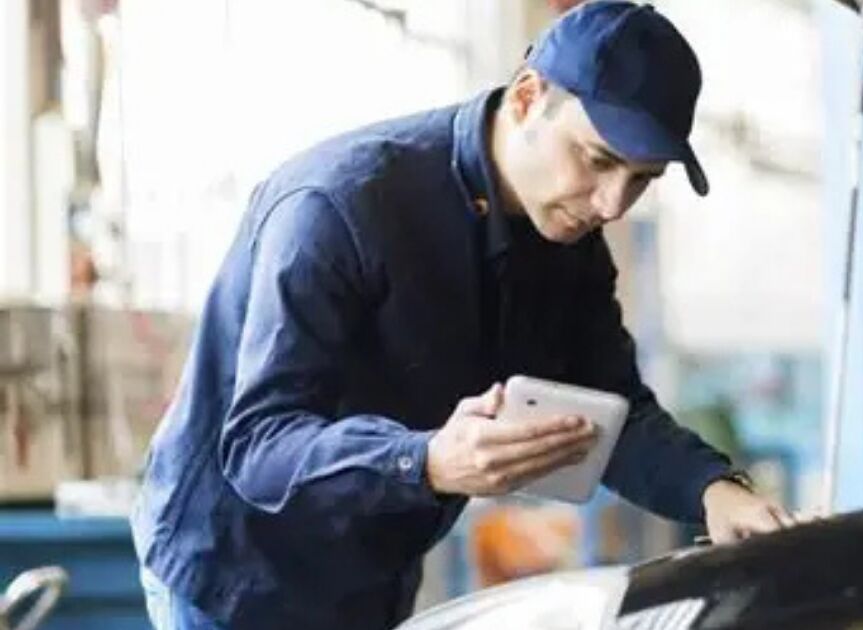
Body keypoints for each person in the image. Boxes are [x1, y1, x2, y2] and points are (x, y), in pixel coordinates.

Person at [131, 2, 795, 628]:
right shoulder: (340, 207)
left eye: (642, 179)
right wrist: (423, 462)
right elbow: (260, 445)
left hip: (372, 572)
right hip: (236, 569)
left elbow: (611, 415)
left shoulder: (568, 239)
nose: (612, 204)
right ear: (528, 98)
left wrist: (714, 489)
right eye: (599, 160)